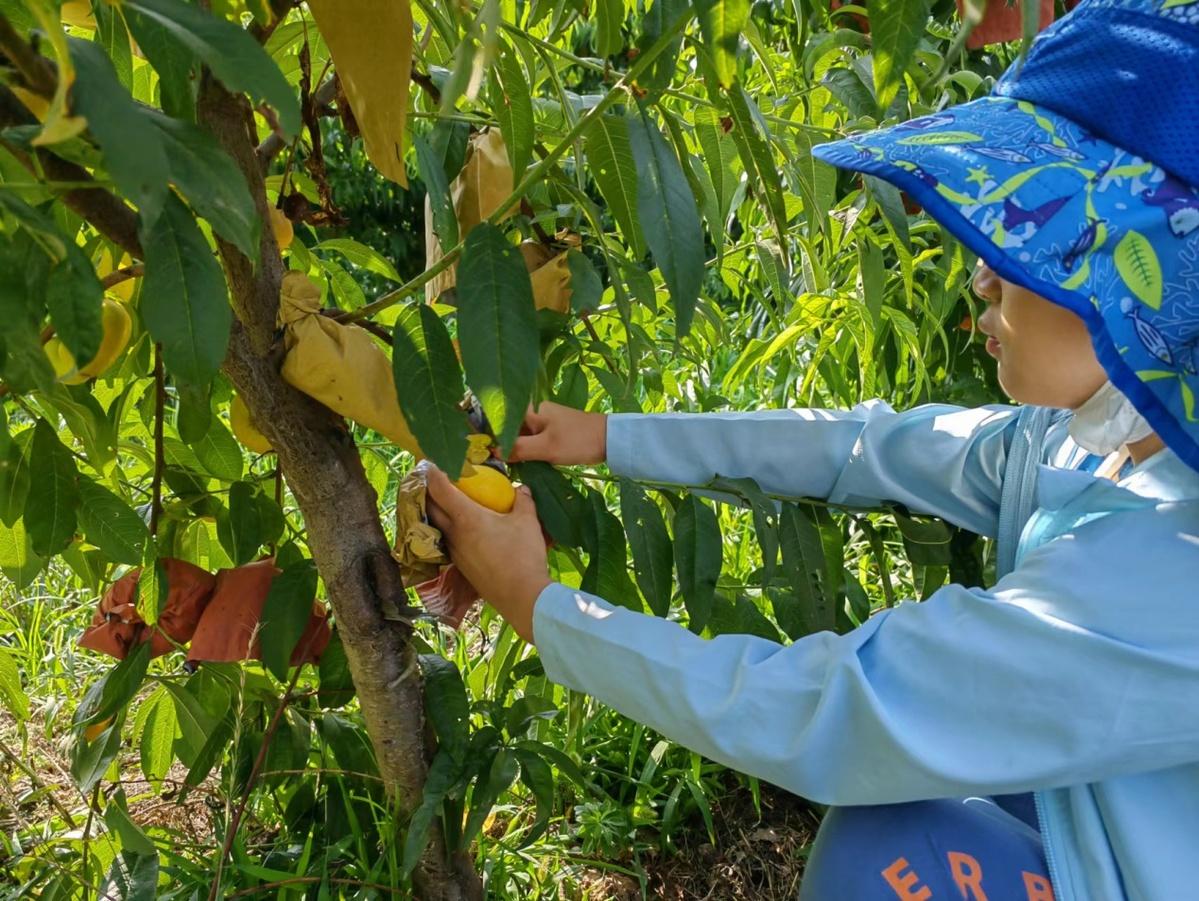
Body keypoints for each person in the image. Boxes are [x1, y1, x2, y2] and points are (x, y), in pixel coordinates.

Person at [426, 0, 1199, 897]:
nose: (980, 270)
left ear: (1143, 282)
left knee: (886, 854)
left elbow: (835, 712)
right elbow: (864, 448)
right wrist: (607, 438)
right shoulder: (1108, 449)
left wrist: (539, 606)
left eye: (1026, 239)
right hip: (1105, 816)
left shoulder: (1162, 573)